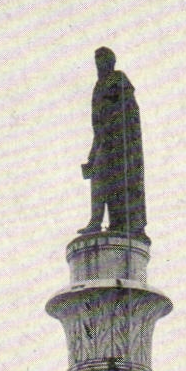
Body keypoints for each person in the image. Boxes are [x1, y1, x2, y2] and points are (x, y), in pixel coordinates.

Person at [80, 47, 146, 235]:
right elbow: (97, 124)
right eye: (96, 60)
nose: (98, 64)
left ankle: (120, 223)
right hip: (104, 140)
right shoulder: (98, 86)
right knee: (97, 176)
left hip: (119, 141)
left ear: (111, 61)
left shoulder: (118, 79)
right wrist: (93, 152)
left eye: (102, 59)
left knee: (115, 181)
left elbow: (129, 109)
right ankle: (95, 220)